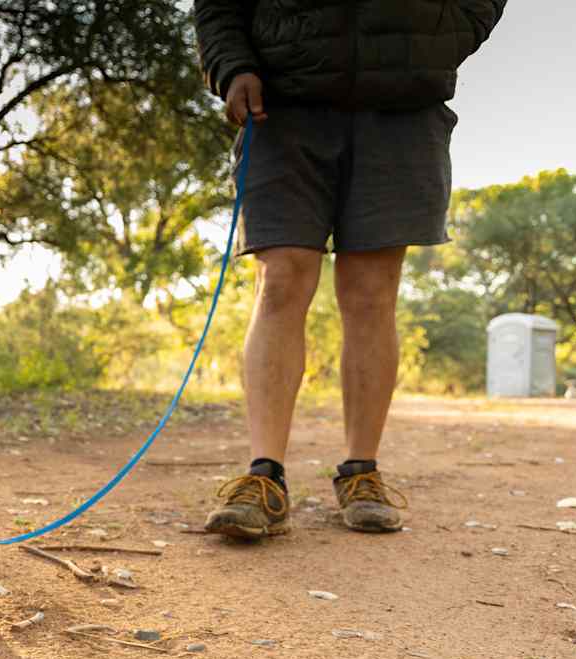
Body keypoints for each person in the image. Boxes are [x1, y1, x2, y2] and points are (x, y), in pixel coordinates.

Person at [193, 0, 505, 539]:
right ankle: (263, 477)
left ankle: (362, 471)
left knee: (371, 291)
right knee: (281, 279)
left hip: (404, 107)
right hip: (282, 103)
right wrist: (232, 65)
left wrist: (440, 37)